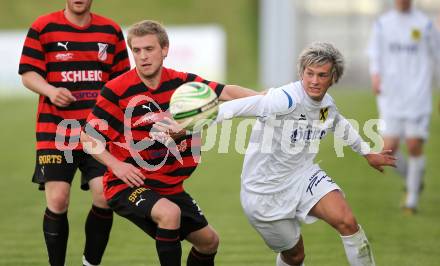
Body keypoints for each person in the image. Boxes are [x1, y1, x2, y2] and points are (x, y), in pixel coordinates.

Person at [80, 20, 258, 266]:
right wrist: (117, 166)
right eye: (137, 50)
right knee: (169, 213)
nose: (142, 56)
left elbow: (226, 92)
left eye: (149, 49)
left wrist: (269, 100)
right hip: (127, 184)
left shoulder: (183, 85)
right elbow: (87, 137)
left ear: (164, 49)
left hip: (170, 187)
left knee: (209, 242)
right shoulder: (118, 89)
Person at [213, 42, 396, 266]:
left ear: (333, 77)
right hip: (264, 191)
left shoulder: (326, 106)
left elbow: (336, 122)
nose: (315, 81)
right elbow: (236, 107)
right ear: (301, 73)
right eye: (309, 73)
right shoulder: (285, 99)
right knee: (295, 256)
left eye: (322, 75)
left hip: (303, 175)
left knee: (348, 222)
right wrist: (191, 124)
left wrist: (367, 153)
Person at [18, 0, 130, 265]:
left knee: (104, 196)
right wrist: (51, 91)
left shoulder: (110, 31)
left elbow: (123, 81)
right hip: (55, 131)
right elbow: (27, 74)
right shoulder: (43, 27)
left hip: (98, 132)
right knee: (58, 200)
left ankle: (90, 263)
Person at [367, 0, 440, 214]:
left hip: (417, 95)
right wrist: (375, 76)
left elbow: (438, 56)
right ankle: (413, 176)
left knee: (414, 144)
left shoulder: (425, 24)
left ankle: (412, 200)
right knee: (388, 149)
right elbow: (374, 54)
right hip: (391, 96)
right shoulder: (382, 24)